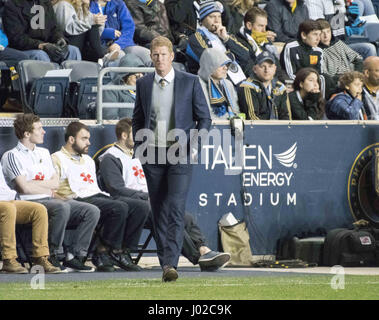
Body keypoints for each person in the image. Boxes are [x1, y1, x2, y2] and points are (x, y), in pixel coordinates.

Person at [97, 118, 231, 271]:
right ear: (124, 135)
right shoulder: (110, 157)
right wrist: (145, 196)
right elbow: (116, 189)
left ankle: (203, 249)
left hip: (150, 201)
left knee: (185, 216)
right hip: (132, 205)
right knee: (166, 218)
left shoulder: (139, 154)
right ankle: (198, 257)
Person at [132, 36, 212, 281]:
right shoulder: (144, 84)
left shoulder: (190, 81)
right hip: (152, 154)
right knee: (158, 210)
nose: (159, 59)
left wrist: (194, 144)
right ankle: (166, 264)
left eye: (163, 54)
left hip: (180, 153)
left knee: (175, 208)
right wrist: (139, 143)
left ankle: (170, 263)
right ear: (151, 57)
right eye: (155, 55)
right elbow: (137, 117)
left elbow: (205, 119)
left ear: (172, 56)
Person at [1, 114, 100, 272]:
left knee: (91, 210)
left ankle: (75, 256)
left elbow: (55, 183)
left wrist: (33, 183)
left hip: (50, 198)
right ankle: (53, 254)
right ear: (27, 134)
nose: (44, 132)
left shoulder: (45, 153)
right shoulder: (11, 156)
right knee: (61, 207)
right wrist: (43, 186)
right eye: (39, 129)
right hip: (29, 202)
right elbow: (23, 189)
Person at [51, 121, 149, 272]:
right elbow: (52, 188)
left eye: (89, 138)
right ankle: (104, 252)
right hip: (77, 198)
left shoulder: (88, 160)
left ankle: (124, 251)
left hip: (97, 195)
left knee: (140, 206)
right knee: (119, 207)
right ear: (71, 140)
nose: (89, 142)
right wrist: (63, 199)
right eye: (84, 139)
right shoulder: (56, 158)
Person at [0, 163, 62, 274]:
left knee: (39, 209)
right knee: (8, 208)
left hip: (6, 199)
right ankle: (8, 259)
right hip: (5, 206)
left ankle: (40, 258)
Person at [3, 0, 81, 62]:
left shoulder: (45, 3)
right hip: (26, 49)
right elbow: (16, 38)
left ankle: (73, 82)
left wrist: (60, 38)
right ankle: (49, 82)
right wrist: (42, 45)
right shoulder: (12, 5)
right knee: (40, 55)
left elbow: (54, 28)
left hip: (49, 45)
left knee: (73, 50)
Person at [185, 0, 250, 75]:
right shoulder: (195, 38)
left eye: (219, 16)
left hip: (237, 79)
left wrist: (226, 39)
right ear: (202, 20)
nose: (217, 20)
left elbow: (245, 56)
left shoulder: (225, 35)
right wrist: (232, 55)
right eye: (212, 17)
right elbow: (211, 61)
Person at [304, 0, 377, 59]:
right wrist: (346, 31)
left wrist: (350, 19)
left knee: (363, 2)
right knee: (369, 48)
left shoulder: (338, 1)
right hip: (325, 47)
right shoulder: (313, 2)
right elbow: (320, 34)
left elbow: (337, 26)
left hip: (338, 40)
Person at [89, 0, 151, 66]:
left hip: (124, 44)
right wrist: (106, 33)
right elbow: (84, 30)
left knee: (147, 55)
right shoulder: (87, 4)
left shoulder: (119, 3)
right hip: (101, 47)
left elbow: (129, 28)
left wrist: (119, 44)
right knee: (120, 56)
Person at [238, 51, 292, 120]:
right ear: (255, 69)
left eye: (270, 66)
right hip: (258, 129)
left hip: (278, 128)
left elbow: (286, 116)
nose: (266, 70)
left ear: (275, 69)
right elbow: (252, 118)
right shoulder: (248, 86)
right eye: (262, 66)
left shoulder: (280, 87)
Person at [197, 48, 241, 119]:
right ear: (209, 66)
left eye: (226, 65)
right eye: (221, 65)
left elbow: (235, 110)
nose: (226, 68)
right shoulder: (197, 85)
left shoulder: (227, 84)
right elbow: (205, 115)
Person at [103, 53, 145, 119]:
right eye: (136, 77)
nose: (140, 81)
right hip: (125, 128)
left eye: (142, 77)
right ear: (125, 76)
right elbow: (110, 118)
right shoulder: (110, 90)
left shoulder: (145, 90)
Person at [165, 0, 232, 41]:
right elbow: (177, 16)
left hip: (216, 40)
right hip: (190, 42)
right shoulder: (173, 2)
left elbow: (228, 20)